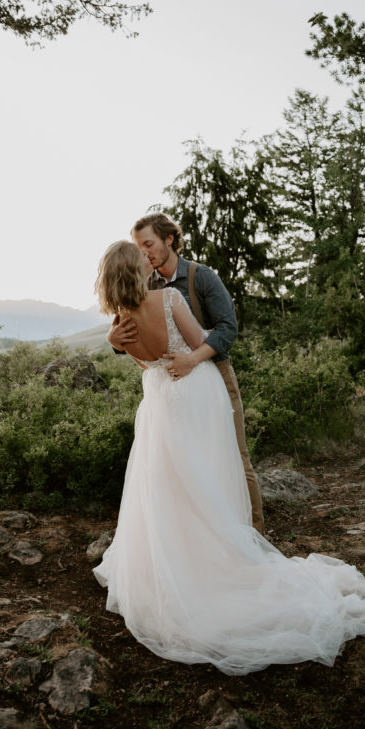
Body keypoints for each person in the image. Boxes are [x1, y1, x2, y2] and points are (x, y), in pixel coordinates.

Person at [92, 240, 365, 676]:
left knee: (172, 484)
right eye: (142, 261)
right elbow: (201, 344)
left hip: (158, 402)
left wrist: (115, 341)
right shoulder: (170, 297)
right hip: (194, 393)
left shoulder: (120, 327)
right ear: (134, 272)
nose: (149, 265)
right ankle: (224, 555)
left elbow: (147, 364)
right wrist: (190, 355)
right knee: (210, 472)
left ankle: (185, 562)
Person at [107, 212, 264, 534]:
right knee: (182, 466)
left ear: (168, 239)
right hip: (170, 389)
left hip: (212, 372)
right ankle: (199, 538)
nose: (145, 252)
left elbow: (228, 329)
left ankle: (254, 532)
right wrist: (113, 343)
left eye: (148, 244)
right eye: (139, 247)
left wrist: (193, 359)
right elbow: (129, 338)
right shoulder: (143, 284)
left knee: (235, 457)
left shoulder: (199, 277)